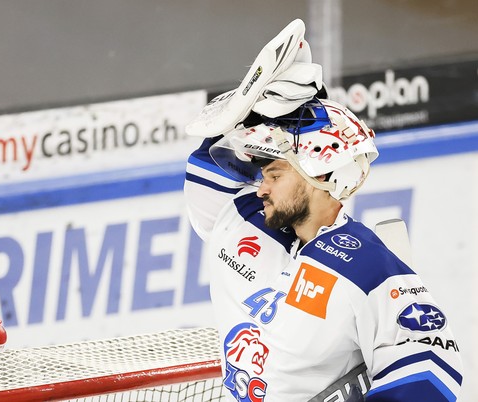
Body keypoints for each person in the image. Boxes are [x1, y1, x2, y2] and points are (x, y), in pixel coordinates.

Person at [183, 19, 463, 402]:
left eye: (275, 174)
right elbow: (204, 171)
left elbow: (429, 377)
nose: (260, 187)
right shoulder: (238, 221)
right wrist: (259, 109)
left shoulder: (369, 266)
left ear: (322, 174)